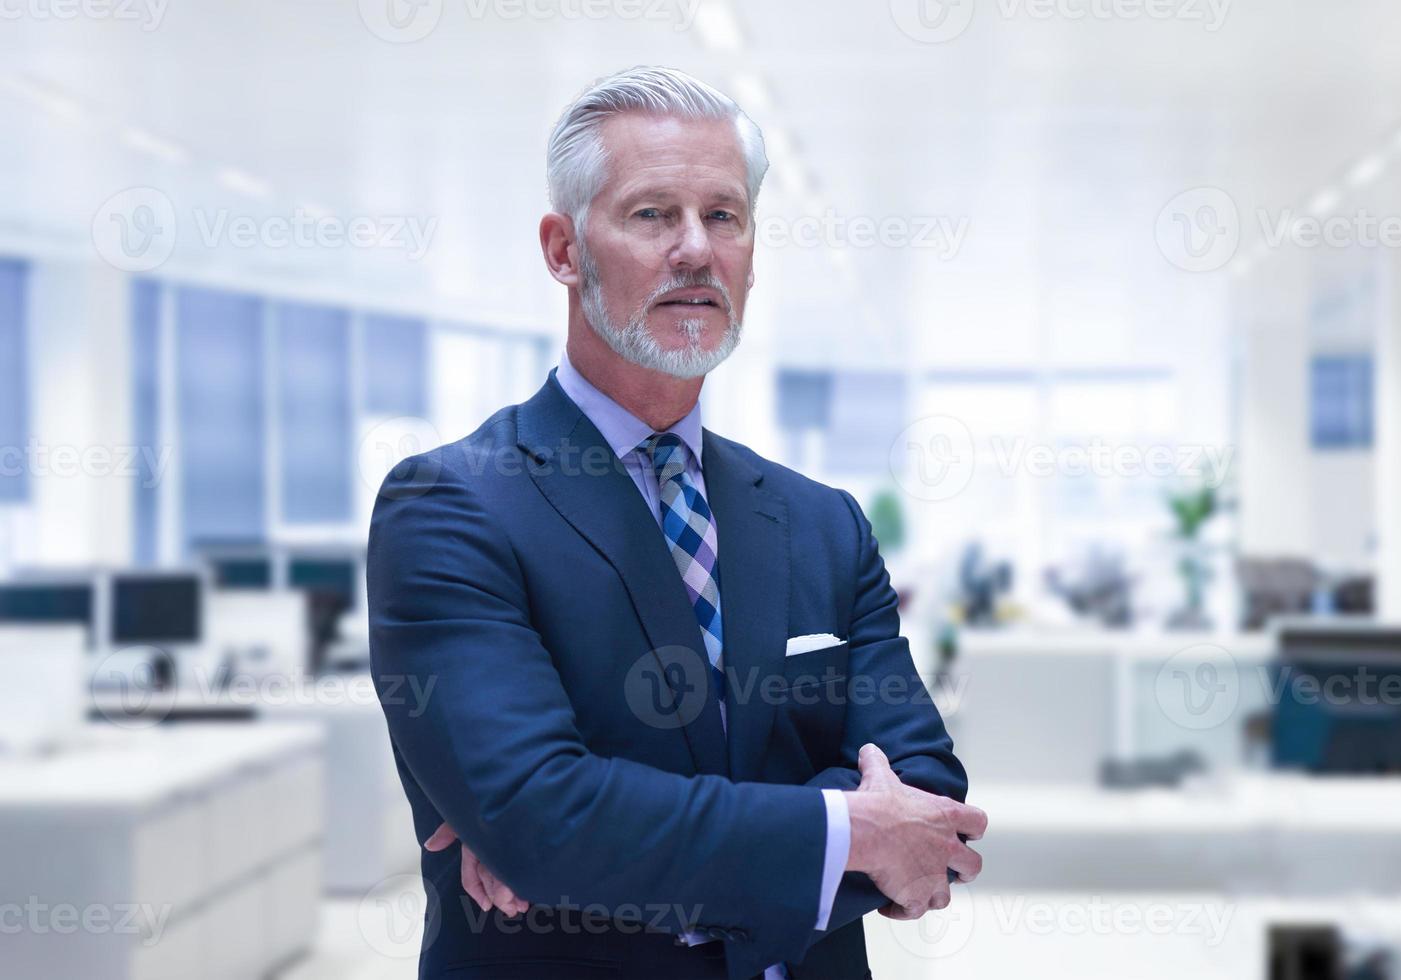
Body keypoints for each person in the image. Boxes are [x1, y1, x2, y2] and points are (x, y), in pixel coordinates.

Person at [368, 65, 985, 980]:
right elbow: (543, 813)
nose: (696, 249)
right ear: (563, 249)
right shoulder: (452, 505)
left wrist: (589, 851)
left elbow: (925, 797)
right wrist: (843, 830)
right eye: (652, 214)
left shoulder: (822, 524)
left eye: (724, 216)